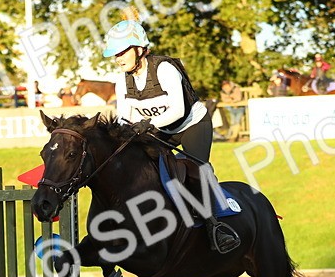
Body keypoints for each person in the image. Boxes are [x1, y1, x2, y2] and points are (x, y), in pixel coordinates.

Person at [102, 18, 240, 254]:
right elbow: (125, 117)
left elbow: (178, 111)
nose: (119, 58)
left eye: (123, 51)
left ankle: (217, 227)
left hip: (192, 125)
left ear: (140, 49)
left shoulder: (164, 68)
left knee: (195, 170)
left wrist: (146, 124)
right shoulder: (122, 81)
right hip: (159, 130)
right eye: (116, 54)